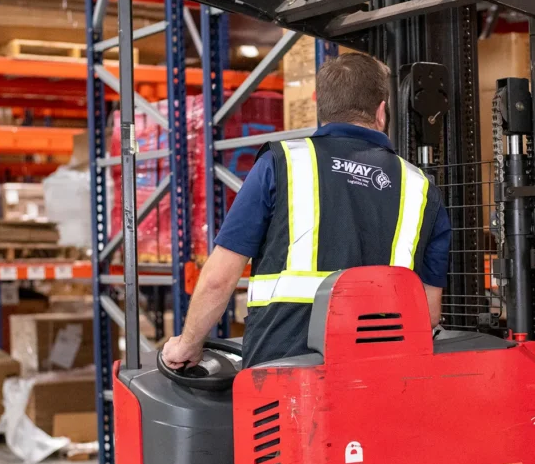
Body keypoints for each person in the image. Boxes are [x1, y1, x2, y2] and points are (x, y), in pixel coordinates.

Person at [161, 52, 452, 369]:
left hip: (283, 373)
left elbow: (220, 279)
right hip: (386, 374)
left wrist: (187, 344)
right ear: (381, 113)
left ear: (322, 110)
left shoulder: (281, 164)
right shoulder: (422, 189)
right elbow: (430, 312)